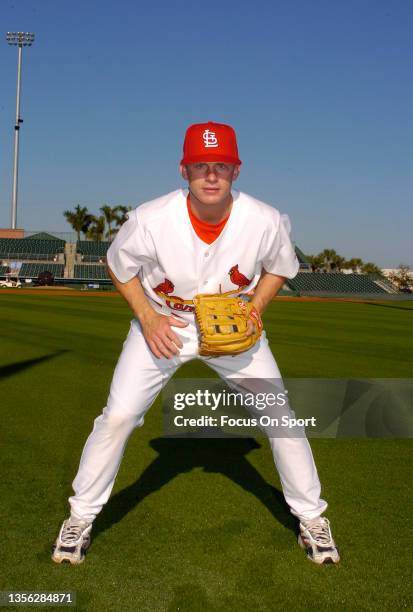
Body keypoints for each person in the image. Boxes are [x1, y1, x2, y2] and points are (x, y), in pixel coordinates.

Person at [52, 121, 339, 565]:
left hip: (234, 329)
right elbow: (118, 265)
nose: (211, 175)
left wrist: (255, 308)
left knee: (281, 417)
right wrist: (147, 318)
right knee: (119, 416)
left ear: (236, 171)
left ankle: (313, 519)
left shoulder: (264, 219)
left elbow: (280, 265)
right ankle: (80, 518)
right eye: (201, 165)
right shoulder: (150, 219)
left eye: (221, 165)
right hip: (164, 324)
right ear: (183, 170)